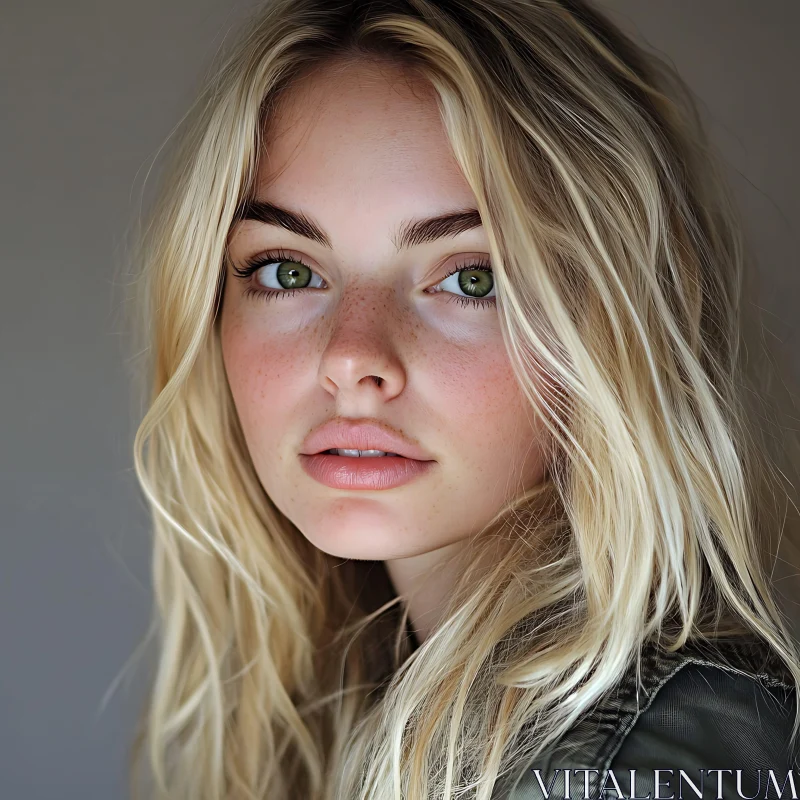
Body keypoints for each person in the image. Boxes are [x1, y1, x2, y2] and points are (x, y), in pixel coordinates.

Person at [125, 0, 800, 797]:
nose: (352, 358)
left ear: (620, 324)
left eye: (470, 278)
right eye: (288, 270)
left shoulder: (644, 759)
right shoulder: (358, 706)